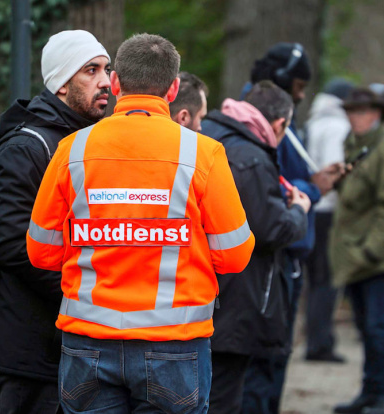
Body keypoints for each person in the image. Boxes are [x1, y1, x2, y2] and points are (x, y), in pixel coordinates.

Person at [26, 33, 255, 414]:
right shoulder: (203, 153)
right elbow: (234, 255)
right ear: (173, 89)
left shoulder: (73, 150)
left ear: (116, 83)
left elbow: (41, 252)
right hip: (174, 345)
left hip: (88, 343)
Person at [0, 30, 111, 414]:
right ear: (61, 83)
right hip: (33, 355)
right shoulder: (26, 147)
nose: (106, 82)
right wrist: (86, 295)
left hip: (83, 345)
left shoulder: (93, 142)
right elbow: (10, 245)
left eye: (106, 69)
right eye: (91, 70)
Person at [241, 42, 343, 414]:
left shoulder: (286, 119)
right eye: (298, 87)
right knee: (267, 356)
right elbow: (275, 189)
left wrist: (314, 182)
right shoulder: (261, 121)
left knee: (277, 354)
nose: (301, 96)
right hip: (277, 253)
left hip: (291, 248)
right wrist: (313, 189)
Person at [201, 80, 310, 414]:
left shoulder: (208, 135)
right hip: (237, 299)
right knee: (226, 398)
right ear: (279, 124)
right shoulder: (251, 157)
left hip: (201, 293)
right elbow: (269, 229)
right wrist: (299, 210)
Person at [330, 88, 384, 414]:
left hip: (378, 258)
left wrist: (371, 252)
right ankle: (371, 391)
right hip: (358, 255)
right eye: (351, 111)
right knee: (367, 328)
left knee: (380, 327)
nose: (354, 117)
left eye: (360, 111)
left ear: (376, 114)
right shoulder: (355, 144)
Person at [304, 78, 354, 363]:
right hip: (330, 209)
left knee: (316, 280)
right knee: (327, 280)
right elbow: (334, 169)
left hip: (313, 207)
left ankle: (315, 338)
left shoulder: (315, 122)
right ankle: (320, 343)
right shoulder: (338, 126)